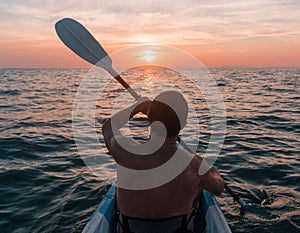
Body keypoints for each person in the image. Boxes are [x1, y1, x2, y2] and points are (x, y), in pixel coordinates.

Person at [102, 90, 224, 233]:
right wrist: (211, 170)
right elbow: (218, 188)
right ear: (183, 124)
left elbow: (108, 128)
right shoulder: (194, 164)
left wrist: (137, 107)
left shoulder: (126, 152)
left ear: (149, 118)